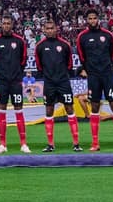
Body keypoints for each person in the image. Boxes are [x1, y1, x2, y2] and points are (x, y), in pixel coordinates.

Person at [76, 10, 113, 151]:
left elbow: (112, 55)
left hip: (107, 75)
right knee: (94, 107)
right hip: (93, 76)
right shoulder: (82, 37)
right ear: (86, 20)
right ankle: (95, 143)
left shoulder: (108, 35)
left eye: (94, 18)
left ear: (98, 19)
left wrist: (106, 68)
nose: (92, 21)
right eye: (90, 18)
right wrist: (91, 70)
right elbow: (82, 57)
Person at [35, 19, 81, 152]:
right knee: (49, 111)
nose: (49, 30)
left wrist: (61, 75)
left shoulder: (65, 45)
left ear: (56, 29)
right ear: (44, 30)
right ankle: (50, 144)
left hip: (63, 82)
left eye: (52, 28)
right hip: (49, 83)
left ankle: (76, 143)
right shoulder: (40, 46)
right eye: (47, 28)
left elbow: (69, 64)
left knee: (70, 109)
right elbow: (39, 66)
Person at [0, 16, 29, 154]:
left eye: (8, 23)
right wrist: (2, 73)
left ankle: (23, 144)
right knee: (1, 109)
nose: (6, 26)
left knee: (19, 109)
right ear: (1, 25)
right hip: (2, 82)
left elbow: (23, 60)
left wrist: (17, 73)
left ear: (12, 25)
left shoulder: (19, 41)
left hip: (16, 82)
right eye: (4, 23)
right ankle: (2, 144)